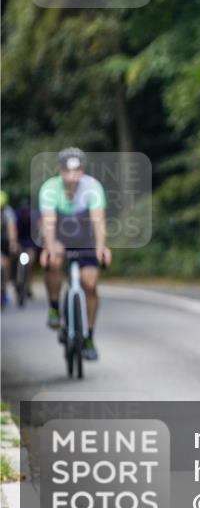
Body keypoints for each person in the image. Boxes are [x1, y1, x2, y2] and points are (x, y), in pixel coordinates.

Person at [38, 148, 112, 360]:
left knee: (90, 284)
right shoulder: (49, 188)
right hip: (60, 234)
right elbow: (49, 223)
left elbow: (98, 220)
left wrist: (101, 247)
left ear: (83, 170)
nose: (73, 176)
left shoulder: (92, 187)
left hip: (85, 237)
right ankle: (54, 307)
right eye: (68, 171)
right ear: (60, 171)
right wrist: (49, 248)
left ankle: (88, 336)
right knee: (54, 259)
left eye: (77, 170)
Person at [15, 198, 39, 299]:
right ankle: (16, 280)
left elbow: (37, 233)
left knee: (30, 263)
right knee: (14, 259)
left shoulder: (33, 219)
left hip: (30, 243)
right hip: (19, 242)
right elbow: (13, 231)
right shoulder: (17, 218)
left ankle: (28, 285)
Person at [0, 190, 19, 309]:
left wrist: (13, 243)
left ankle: (3, 288)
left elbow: (12, 228)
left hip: (3, 240)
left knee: (5, 263)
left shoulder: (8, 212)